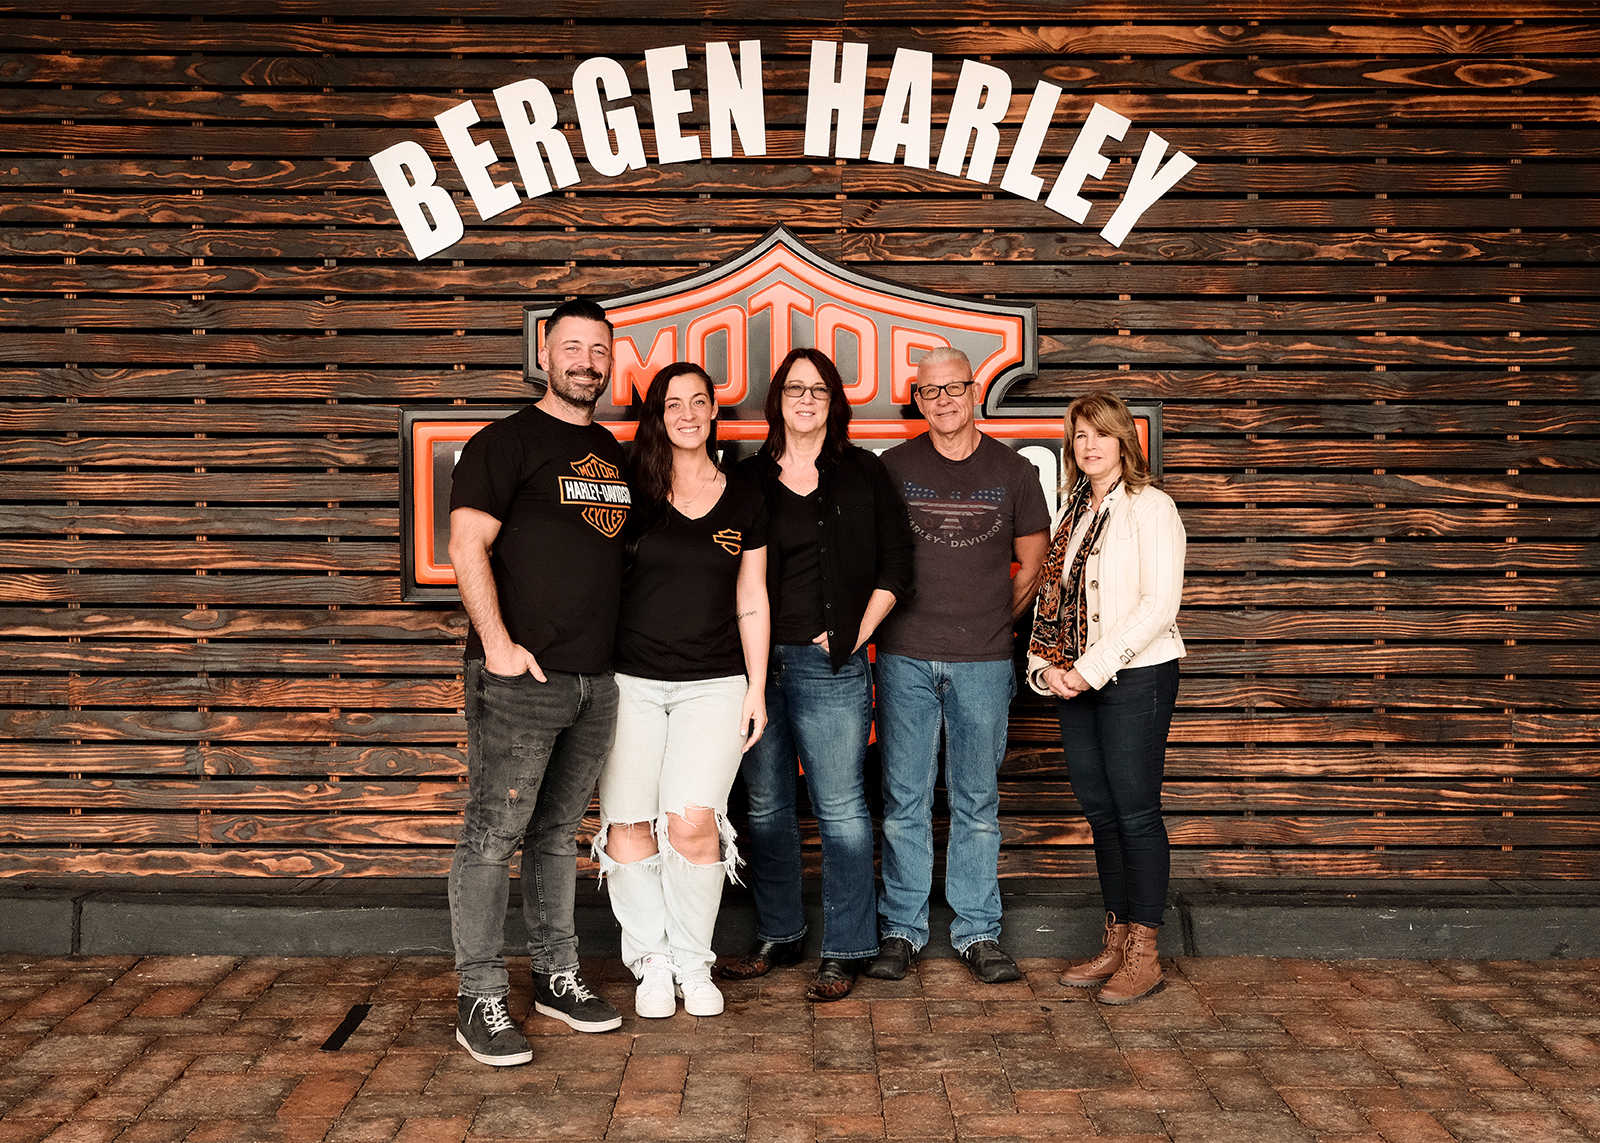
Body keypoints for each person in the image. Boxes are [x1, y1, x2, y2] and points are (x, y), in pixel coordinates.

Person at [446, 298, 629, 1066]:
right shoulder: (504, 442)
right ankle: (478, 994)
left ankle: (557, 976)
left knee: (558, 835)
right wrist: (497, 645)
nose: (586, 361)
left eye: (599, 349)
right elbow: (465, 544)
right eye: (572, 347)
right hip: (522, 677)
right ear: (544, 357)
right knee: (494, 836)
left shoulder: (615, 453)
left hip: (596, 680)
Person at [722, 347, 914, 1001]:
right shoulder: (746, 481)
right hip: (753, 667)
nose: (806, 399)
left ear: (835, 403)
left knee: (842, 811)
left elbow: (897, 567)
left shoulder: (863, 474)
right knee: (767, 807)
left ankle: (849, 945)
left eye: (819, 390)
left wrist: (856, 632)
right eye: (795, 388)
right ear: (777, 399)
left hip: (829, 664)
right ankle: (780, 931)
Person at [865, 348, 1051, 985]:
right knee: (904, 799)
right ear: (917, 400)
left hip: (984, 660)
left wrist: (994, 618)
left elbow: (1032, 563)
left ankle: (977, 932)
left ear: (976, 391)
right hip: (904, 656)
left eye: (954, 388)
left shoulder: (1014, 471)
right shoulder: (892, 469)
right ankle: (901, 930)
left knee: (976, 801)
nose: (943, 400)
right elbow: (875, 558)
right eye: (929, 391)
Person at [593, 362, 770, 1021]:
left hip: (715, 684)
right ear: (658, 414)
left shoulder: (745, 494)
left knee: (693, 824)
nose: (689, 413)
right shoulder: (628, 487)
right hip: (630, 681)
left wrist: (755, 688)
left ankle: (694, 962)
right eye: (675, 403)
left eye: (701, 401)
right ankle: (652, 961)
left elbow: (752, 597)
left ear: (713, 412)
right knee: (630, 826)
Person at [1026, 390, 1186, 1005]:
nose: (1088, 445)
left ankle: (1145, 950)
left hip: (1136, 677)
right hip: (1076, 683)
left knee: (1136, 811)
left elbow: (1157, 606)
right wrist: (1046, 669)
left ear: (1125, 441)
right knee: (1100, 811)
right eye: (1079, 435)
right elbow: (1053, 599)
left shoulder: (1152, 508)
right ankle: (1116, 940)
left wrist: (1089, 670)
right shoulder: (1073, 512)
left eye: (1102, 433)